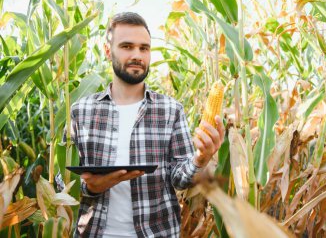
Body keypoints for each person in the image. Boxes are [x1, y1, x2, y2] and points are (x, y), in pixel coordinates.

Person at [68, 12, 225, 237]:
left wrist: (200, 158)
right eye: (127, 46)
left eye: (144, 48)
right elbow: (63, 183)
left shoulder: (171, 110)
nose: (137, 55)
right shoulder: (81, 111)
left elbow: (180, 179)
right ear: (107, 51)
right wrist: (91, 187)